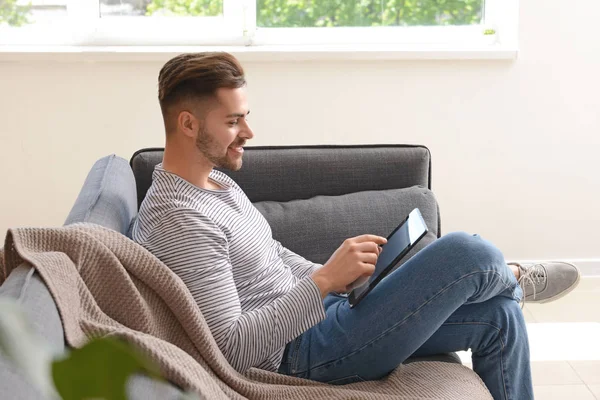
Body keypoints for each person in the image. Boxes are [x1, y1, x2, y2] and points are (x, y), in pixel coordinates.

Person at [131, 52, 581, 400]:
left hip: (325, 317)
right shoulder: (180, 220)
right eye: (233, 121)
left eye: (245, 115)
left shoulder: (216, 184)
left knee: (498, 317)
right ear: (188, 124)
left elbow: (270, 257)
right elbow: (231, 349)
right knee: (468, 252)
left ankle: (504, 290)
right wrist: (326, 281)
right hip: (298, 356)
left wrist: (342, 277)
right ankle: (515, 278)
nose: (249, 131)